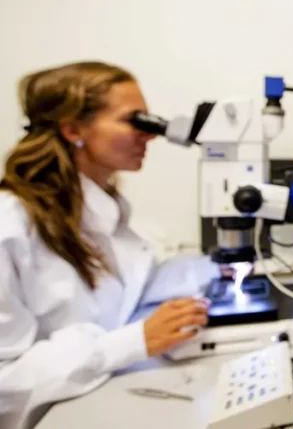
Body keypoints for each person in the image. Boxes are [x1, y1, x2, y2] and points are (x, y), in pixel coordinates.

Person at [0, 62, 225, 429]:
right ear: (73, 128)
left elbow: (123, 297)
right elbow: (5, 385)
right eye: (134, 120)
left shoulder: (103, 212)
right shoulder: (10, 227)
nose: (149, 135)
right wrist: (129, 343)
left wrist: (211, 268)